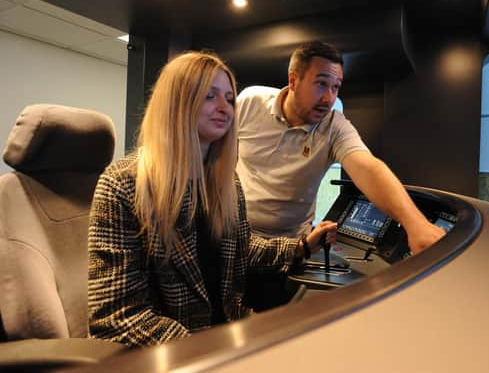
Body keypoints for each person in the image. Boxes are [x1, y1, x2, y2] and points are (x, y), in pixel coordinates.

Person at [87, 52, 336, 347]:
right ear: (176, 103)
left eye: (230, 98)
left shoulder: (226, 183)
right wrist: (207, 349)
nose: (225, 108)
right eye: (209, 96)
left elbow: (240, 249)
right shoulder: (122, 184)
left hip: (229, 333)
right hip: (173, 354)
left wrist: (300, 247)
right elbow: (116, 316)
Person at [236, 41, 445, 256]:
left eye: (335, 87)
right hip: (236, 235)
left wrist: (416, 225)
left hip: (291, 247)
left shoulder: (334, 125)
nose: (329, 99)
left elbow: (367, 167)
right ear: (293, 80)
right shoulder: (249, 101)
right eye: (321, 84)